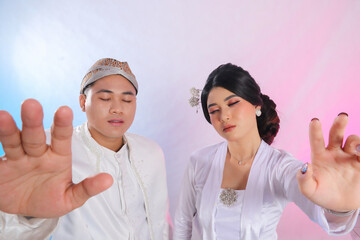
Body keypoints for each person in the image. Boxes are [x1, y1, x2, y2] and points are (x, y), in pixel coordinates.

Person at [173, 63, 360, 239]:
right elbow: (182, 224)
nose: (224, 116)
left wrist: (340, 208)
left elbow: (321, 206)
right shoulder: (199, 161)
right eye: (214, 110)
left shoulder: (279, 167)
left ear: (256, 106)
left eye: (232, 103)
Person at [0, 58, 172, 240]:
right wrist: (28, 216)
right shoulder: (50, 150)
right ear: (83, 102)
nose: (117, 109)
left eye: (127, 100)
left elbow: (160, 223)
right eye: (105, 98)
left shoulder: (151, 152)